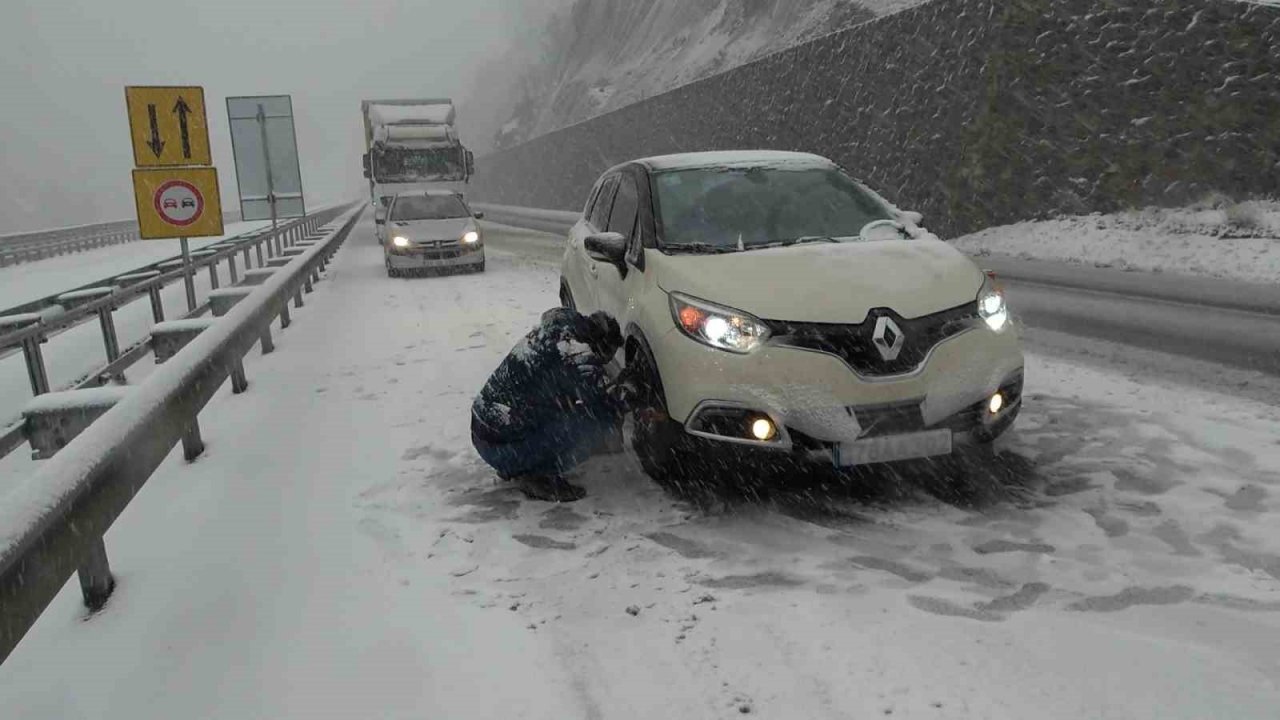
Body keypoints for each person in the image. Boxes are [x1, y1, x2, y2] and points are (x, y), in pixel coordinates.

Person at [471, 308, 635, 502]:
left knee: (567, 405)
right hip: (503, 447)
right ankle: (536, 475)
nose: (604, 363)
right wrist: (632, 391)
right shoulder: (574, 355)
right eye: (606, 357)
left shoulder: (556, 332)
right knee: (595, 423)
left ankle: (518, 463)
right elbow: (606, 406)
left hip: (484, 433)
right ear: (601, 346)